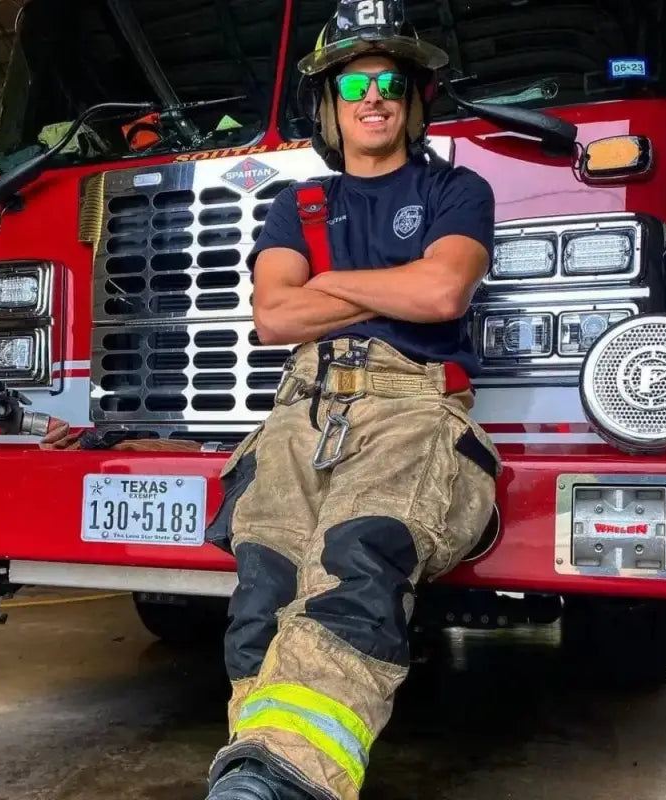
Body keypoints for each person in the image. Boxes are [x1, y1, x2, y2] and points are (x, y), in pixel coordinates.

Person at [202, 2, 501, 799]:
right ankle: (259, 774)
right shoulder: (295, 204)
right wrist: (382, 291)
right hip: (299, 413)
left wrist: (326, 283)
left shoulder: (459, 189)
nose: (375, 95)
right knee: (262, 587)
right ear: (330, 104)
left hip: (412, 410)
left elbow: (441, 292)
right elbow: (275, 318)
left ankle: (280, 780)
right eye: (356, 81)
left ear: (413, 100)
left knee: (358, 562)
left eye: (392, 81)